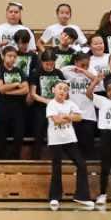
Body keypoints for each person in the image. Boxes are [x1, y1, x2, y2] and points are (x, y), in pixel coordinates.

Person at [43, 80, 92, 209]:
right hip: (55, 140)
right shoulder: (51, 104)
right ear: (53, 90)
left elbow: (79, 117)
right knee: (56, 167)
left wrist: (66, 116)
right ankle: (55, 197)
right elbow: (56, 120)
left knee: (81, 164)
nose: (63, 91)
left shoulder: (70, 103)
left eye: (65, 89)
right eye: (60, 88)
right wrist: (70, 116)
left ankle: (81, 196)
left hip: (70, 139)